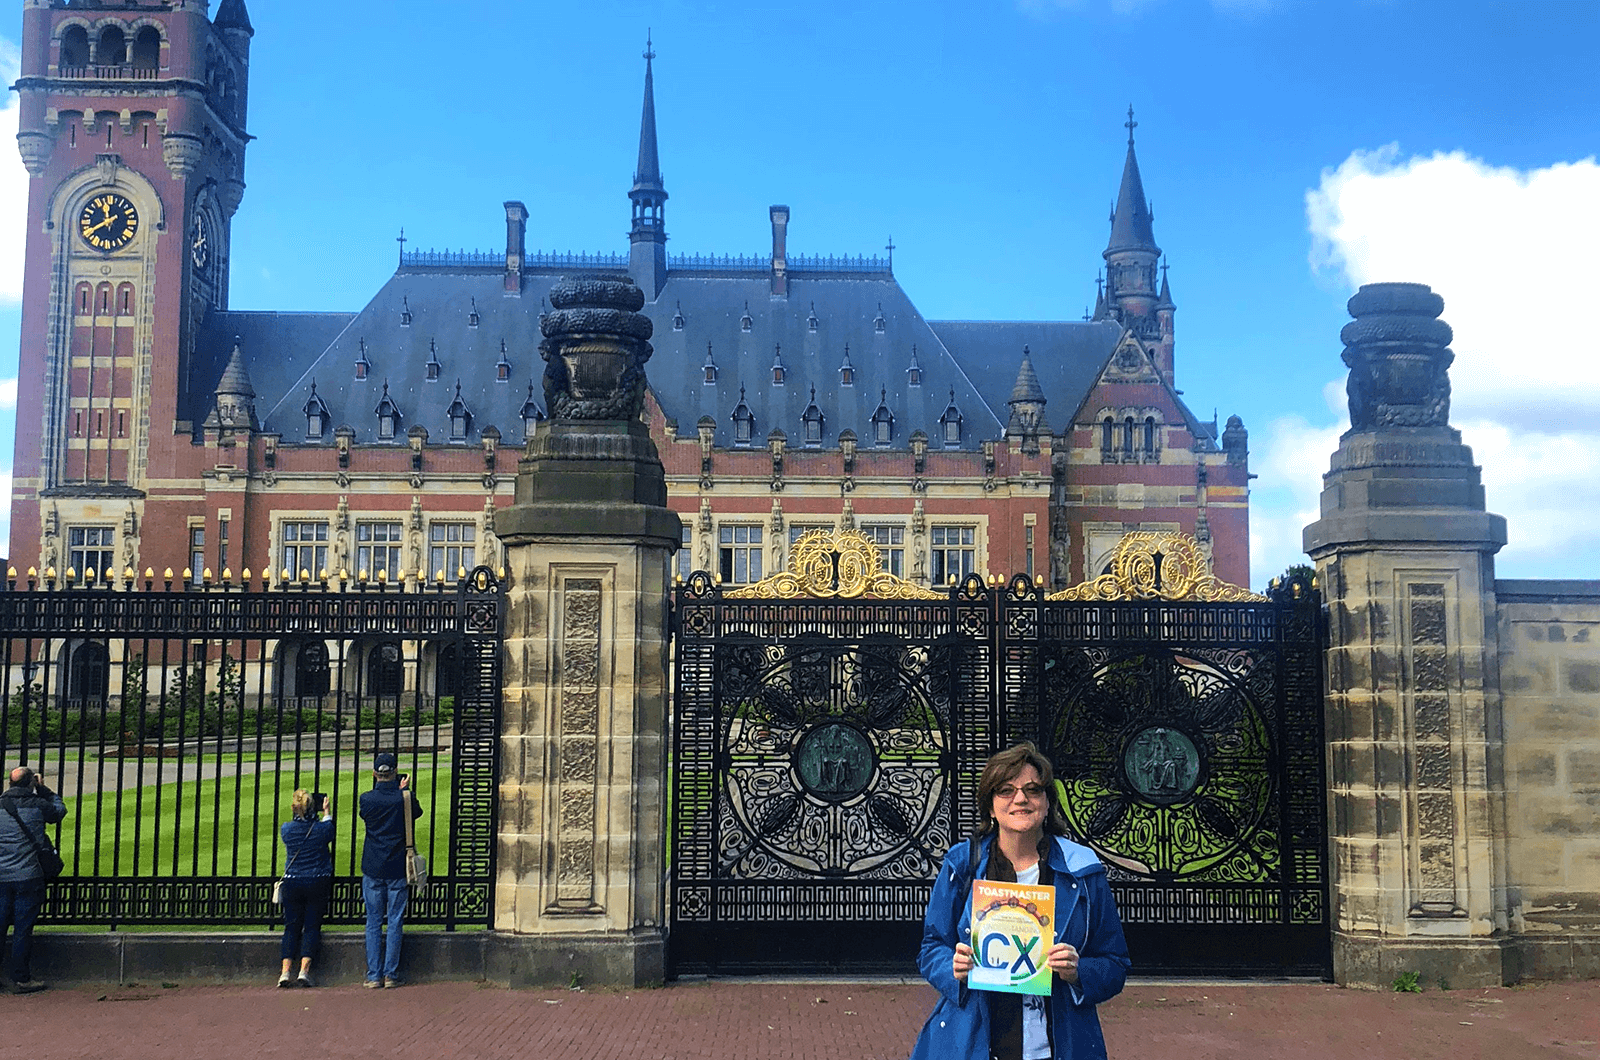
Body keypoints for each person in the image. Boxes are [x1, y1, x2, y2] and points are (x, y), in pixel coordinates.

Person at [910, 743, 1130, 1060]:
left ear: (1047, 802)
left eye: (1032, 790)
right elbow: (932, 946)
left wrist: (1078, 971)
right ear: (990, 805)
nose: (1020, 799)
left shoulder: (1082, 871)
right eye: (1005, 790)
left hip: (1059, 1046)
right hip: (974, 1044)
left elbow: (1115, 963)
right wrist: (953, 968)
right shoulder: (963, 865)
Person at [0, 766, 67, 995]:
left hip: (1, 876)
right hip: (28, 875)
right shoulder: (38, 805)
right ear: (31, 783)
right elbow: (59, 811)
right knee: (22, 929)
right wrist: (43, 788)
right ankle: (21, 978)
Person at [358, 752, 422, 988]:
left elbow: (366, 816)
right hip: (397, 866)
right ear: (395, 773)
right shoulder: (404, 797)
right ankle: (390, 974)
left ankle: (374, 974)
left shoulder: (366, 799)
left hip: (374, 864)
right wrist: (403, 791)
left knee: (373, 921)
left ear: (375, 774)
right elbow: (416, 813)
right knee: (395, 920)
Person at [277, 788, 335, 988]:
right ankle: (304, 970)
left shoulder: (286, 829)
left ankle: (285, 972)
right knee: (311, 926)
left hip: (293, 881)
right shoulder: (321, 830)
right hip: (316, 879)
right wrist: (326, 812)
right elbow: (329, 830)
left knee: (291, 926)